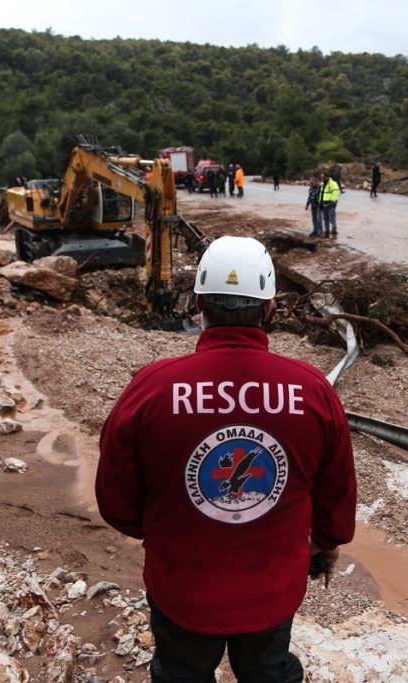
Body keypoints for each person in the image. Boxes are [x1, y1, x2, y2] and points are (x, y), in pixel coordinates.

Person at [96, 236, 357, 683]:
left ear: (199, 303)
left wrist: (164, 529)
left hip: (182, 589)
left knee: (181, 673)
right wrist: (324, 542)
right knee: (268, 671)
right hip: (272, 592)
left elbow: (116, 503)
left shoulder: (152, 388)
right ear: (270, 309)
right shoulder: (312, 390)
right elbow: (338, 501)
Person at [319, 171, 340, 238]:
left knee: (332, 219)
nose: (322, 179)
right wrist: (320, 203)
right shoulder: (322, 184)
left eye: (323, 177)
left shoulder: (333, 184)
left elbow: (335, 195)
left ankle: (334, 233)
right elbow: (321, 194)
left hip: (330, 204)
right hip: (324, 204)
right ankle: (326, 233)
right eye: (321, 177)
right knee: (325, 220)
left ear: (327, 177)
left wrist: (331, 203)